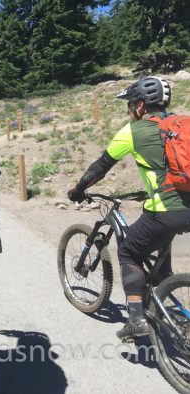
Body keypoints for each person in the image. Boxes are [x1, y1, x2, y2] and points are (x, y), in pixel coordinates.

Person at [67, 76, 190, 341]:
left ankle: (136, 319)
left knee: (128, 252)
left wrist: (78, 190)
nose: (130, 110)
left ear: (141, 106)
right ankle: (164, 282)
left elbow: (100, 167)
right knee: (157, 240)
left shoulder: (133, 131)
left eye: (131, 105)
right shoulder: (181, 125)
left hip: (168, 209)